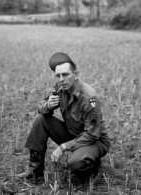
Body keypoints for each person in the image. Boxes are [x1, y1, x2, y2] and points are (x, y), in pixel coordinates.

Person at [16, 52, 111, 180]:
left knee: (76, 163)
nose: (61, 79)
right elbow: (41, 107)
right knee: (40, 120)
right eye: (58, 75)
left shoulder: (89, 97)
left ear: (75, 74)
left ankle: (92, 164)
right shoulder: (59, 88)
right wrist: (48, 106)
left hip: (95, 140)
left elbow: (92, 134)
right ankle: (35, 170)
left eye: (65, 74)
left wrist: (63, 147)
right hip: (73, 133)